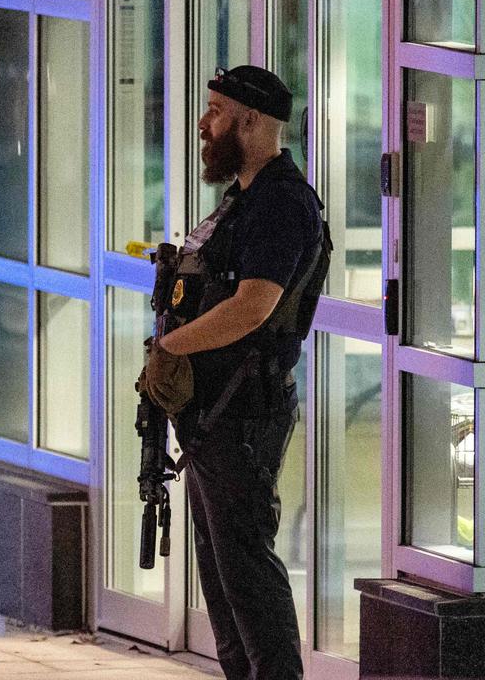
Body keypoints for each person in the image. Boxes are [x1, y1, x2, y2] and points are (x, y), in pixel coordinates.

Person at [139, 65, 330, 680]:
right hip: (215, 412)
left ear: (250, 121)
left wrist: (171, 351)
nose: (203, 124)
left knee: (245, 569)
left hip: (243, 413)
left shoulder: (281, 203)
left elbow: (254, 305)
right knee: (221, 574)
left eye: (216, 112)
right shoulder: (245, 198)